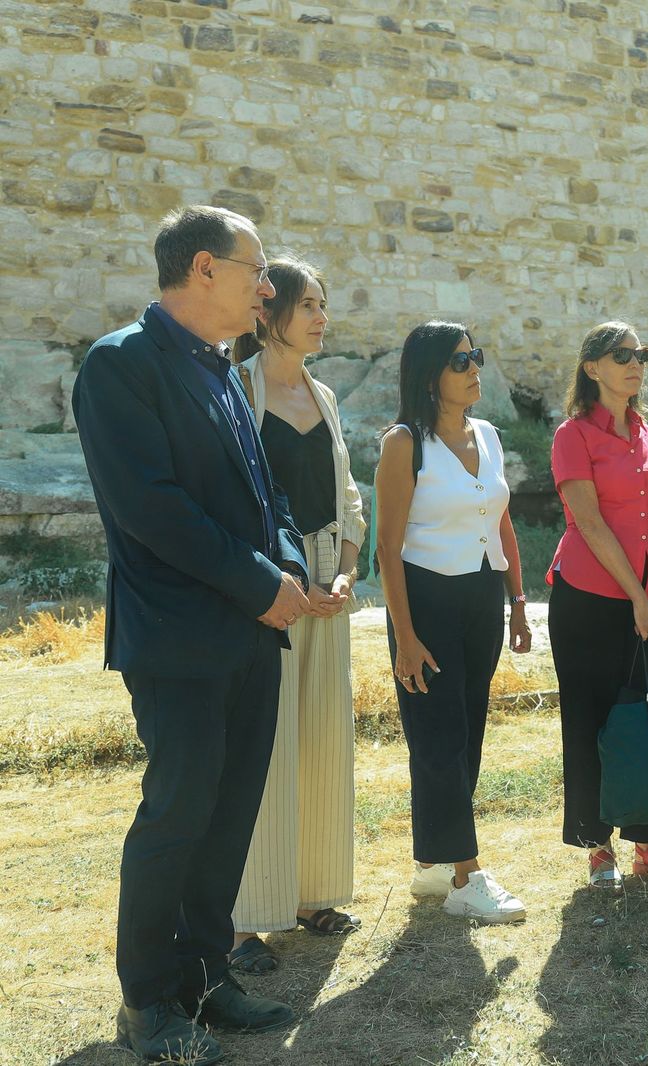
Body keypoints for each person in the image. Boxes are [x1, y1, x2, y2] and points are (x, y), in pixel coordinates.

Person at [73, 205, 306, 1065]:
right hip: (178, 640)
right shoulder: (120, 364)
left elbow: (266, 493)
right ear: (204, 268)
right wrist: (260, 583)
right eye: (256, 270)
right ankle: (148, 1002)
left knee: (230, 812)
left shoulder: (219, 368)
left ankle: (207, 978)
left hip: (249, 633)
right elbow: (152, 510)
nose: (267, 288)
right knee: (177, 814)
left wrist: (289, 568)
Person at [225, 256, 367, 974]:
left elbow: (349, 498)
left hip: (328, 591)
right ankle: (245, 920)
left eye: (322, 303)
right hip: (267, 590)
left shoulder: (326, 395)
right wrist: (282, 580)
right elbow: (232, 498)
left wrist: (345, 572)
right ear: (269, 311)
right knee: (265, 746)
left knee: (321, 741)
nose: (321, 317)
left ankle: (314, 896)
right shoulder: (237, 388)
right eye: (308, 304)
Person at [374, 321, 533, 920]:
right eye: (460, 361)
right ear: (429, 375)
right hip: (426, 602)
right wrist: (405, 636)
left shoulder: (487, 435)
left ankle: (435, 863)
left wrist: (517, 602)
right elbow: (387, 548)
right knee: (438, 736)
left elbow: (501, 520)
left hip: (481, 598)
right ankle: (467, 877)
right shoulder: (403, 443)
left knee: (466, 733)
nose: (474, 370)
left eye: (475, 357)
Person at [546, 321, 648, 886]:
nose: (635, 364)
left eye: (641, 354)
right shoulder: (573, 435)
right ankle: (597, 846)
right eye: (622, 355)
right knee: (592, 722)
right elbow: (587, 521)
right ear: (592, 368)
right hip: (590, 602)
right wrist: (636, 596)